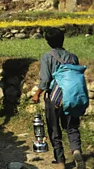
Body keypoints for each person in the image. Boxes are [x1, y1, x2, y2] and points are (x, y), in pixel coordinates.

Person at [32, 27, 85, 169]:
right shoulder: (73, 56)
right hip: (72, 96)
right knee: (72, 127)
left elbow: (45, 81)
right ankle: (76, 150)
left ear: (48, 41)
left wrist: (37, 94)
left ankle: (60, 162)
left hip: (54, 98)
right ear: (63, 39)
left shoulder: (47, 57)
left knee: (54, 129)